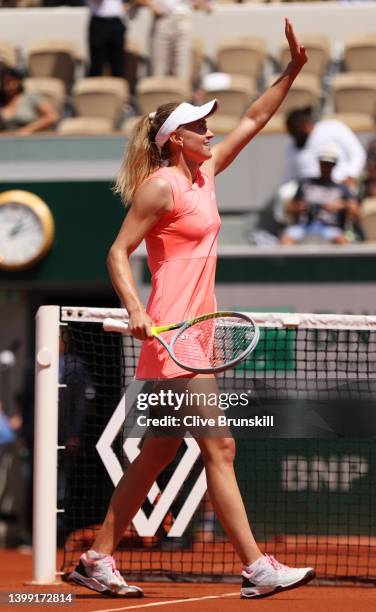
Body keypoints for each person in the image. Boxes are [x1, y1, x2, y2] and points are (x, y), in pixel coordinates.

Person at [69, 19, 315, 600]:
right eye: (199, 126)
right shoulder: (161, 186)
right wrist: (133, 306)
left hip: (195, 333)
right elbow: (116, 251)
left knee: (158, 450)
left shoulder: (203, 176)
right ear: (176, 138)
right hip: (172, 335)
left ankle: (98, 557)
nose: (210, 130)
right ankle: (256, 568)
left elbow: (255, 119)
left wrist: (292, 72)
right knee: (219, 446)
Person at [280, 143, 362, 245]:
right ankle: (288, 261)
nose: (326, 167)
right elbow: (288, 209)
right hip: (304, 226)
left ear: (334, 165)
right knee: (286, 239)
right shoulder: (306, 183)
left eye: (329, 164)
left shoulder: (342, 188)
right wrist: (300, 207)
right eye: (324, 163)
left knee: (342, 241)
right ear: (319, 163)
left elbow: (357, 213)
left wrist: (341, 206)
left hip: (330, 228)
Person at [283, 107, 366, 189]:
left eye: (296, 131)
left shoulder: (333, 128)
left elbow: (358, 153)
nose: (294, 136)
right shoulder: (292, 146)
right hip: (307, 191)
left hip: (338, 185)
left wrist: (351, 176)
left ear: (305, 125)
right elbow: (289, 176)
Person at [138, 0, 212, 83]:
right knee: (159, 70)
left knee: (182, 69)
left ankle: (181, 94)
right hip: (161, 17)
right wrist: (150, 4)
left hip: (182, 16)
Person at [0, 67, 58, 135]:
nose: (9, 85)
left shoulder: (31, 96)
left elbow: (52, 116)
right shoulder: (2, 102)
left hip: (31, 139)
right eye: (5, 81)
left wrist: (29, 129)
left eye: (12, 80)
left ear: (19, 81)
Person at [86, 0, 127, 77]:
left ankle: (118, 87)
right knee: (97, 63)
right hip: (99, 23)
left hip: (117, 22)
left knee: (118, 63)